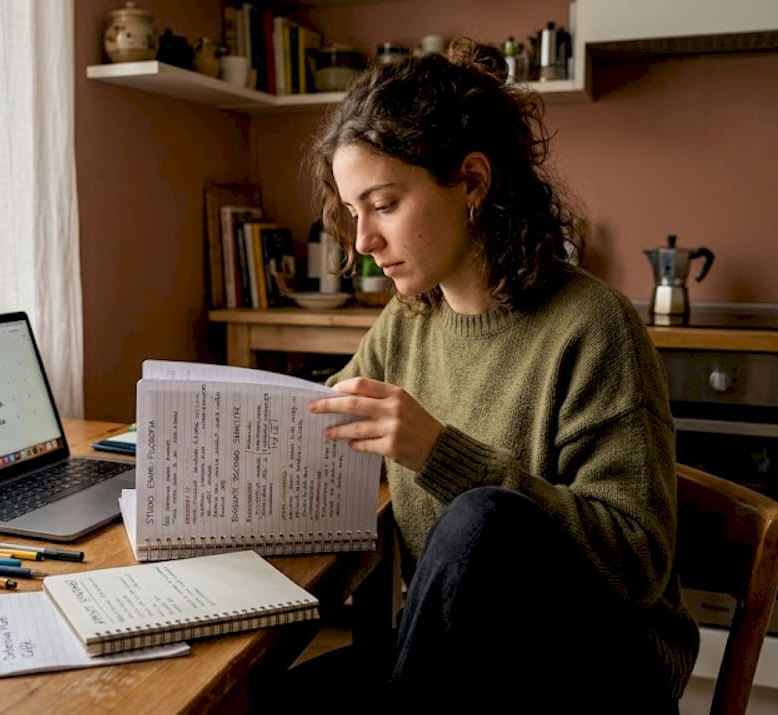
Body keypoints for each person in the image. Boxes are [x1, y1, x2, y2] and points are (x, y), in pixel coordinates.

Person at [281, 39, 700, 712]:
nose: (361, 242)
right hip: (461, 657)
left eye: (383, 204)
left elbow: (637, 558)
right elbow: (325, 414)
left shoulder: (593, 325)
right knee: (258, 700)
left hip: (595, 674)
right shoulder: (409, 320)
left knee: (484, 520)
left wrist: (438, 452)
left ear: (471, 182)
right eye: (354, 213)